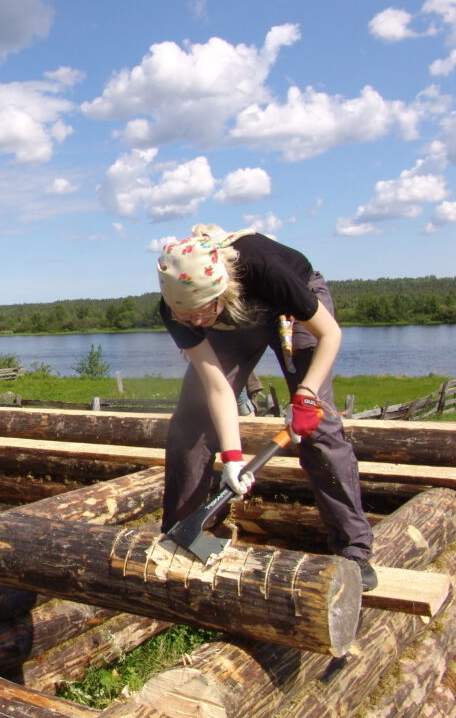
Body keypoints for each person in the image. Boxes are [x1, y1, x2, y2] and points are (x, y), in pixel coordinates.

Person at [155, 224, 376, 590]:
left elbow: (330, 333)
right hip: (235, 317)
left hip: (292, 309)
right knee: (190, 423)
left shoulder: (261, 266)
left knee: (319, 430)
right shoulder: (176, 306)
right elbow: (218, 388)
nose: (194, 323)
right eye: (186, 317)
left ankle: (353, 549)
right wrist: (233, 457)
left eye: (200, 313)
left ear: (219, 290)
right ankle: (181, 536)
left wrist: (306, 394)